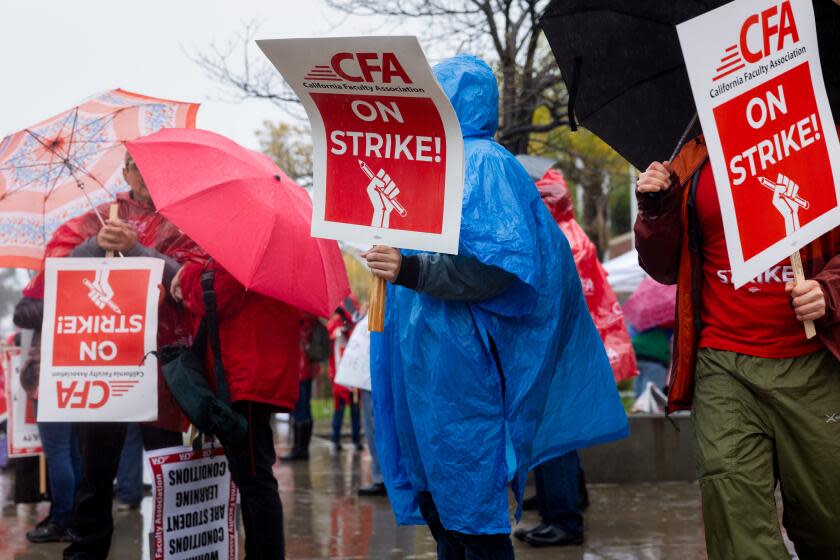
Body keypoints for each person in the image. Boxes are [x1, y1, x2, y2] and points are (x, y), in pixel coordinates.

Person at [365, 55, 628, 560]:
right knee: (446, 516)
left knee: (472, 521)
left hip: (466, 374)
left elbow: (499, 268)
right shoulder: (434, 166)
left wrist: (411, 270)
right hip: (433, 368)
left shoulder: (483, 164)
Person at [635, 128, 840, 559]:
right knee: (736, 525)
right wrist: (656, 210)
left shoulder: (826, 139)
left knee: (829, 524)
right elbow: (665, 267)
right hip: (724, 365)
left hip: (814, 364)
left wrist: (831, 290)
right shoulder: (691, 160)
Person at [62, 152, 198, 560]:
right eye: (138, 167)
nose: (147, 176)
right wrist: (93, 245)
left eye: (156, 166)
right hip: (106, 360)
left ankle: (176, 551)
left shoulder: (187, 219)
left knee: (170, 466)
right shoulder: (99, 216)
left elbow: (190, 280)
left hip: (164, 365)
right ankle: (87, 550)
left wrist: (138, 249)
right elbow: (59, 271)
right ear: (125, 173)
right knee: (94, 471)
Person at [515, 168, 638, 547]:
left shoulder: (549, 237)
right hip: (575, 346)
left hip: (555, 350)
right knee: (564, 431)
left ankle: (564, 518)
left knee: (554, 432)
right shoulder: (576, 235)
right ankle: (567, 499)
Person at [172, 259, 301, 560]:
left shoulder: (247, 255)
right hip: (252, 376)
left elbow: (216, 295)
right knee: (252, 476)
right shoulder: (268, 255)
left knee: (255, 478)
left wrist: (187, 274)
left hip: (247, 378)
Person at [13, 291, 82, 544]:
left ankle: (62, 520)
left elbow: (21, 313)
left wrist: (33, 292)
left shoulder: (54, 283)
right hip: (69, 377)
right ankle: (71, 516)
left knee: (59, 453)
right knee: (72, 453)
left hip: (50, 380)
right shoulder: (77, 286)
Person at [281, 314, 324, 462]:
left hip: (299, 368)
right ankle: (302, 449)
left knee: (300, 408)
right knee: (304, 408)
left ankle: (299, 449)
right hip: (307, 368)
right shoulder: (311, 316)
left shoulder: (300, 316)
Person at [327, 297, 361, 452]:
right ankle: (335, 439)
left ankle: (355, 439)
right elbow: (329, 335)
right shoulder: (335, 324)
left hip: (353, 375)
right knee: (339, 409)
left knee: (355, 409)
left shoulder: (356, 327)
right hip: (339, 375)